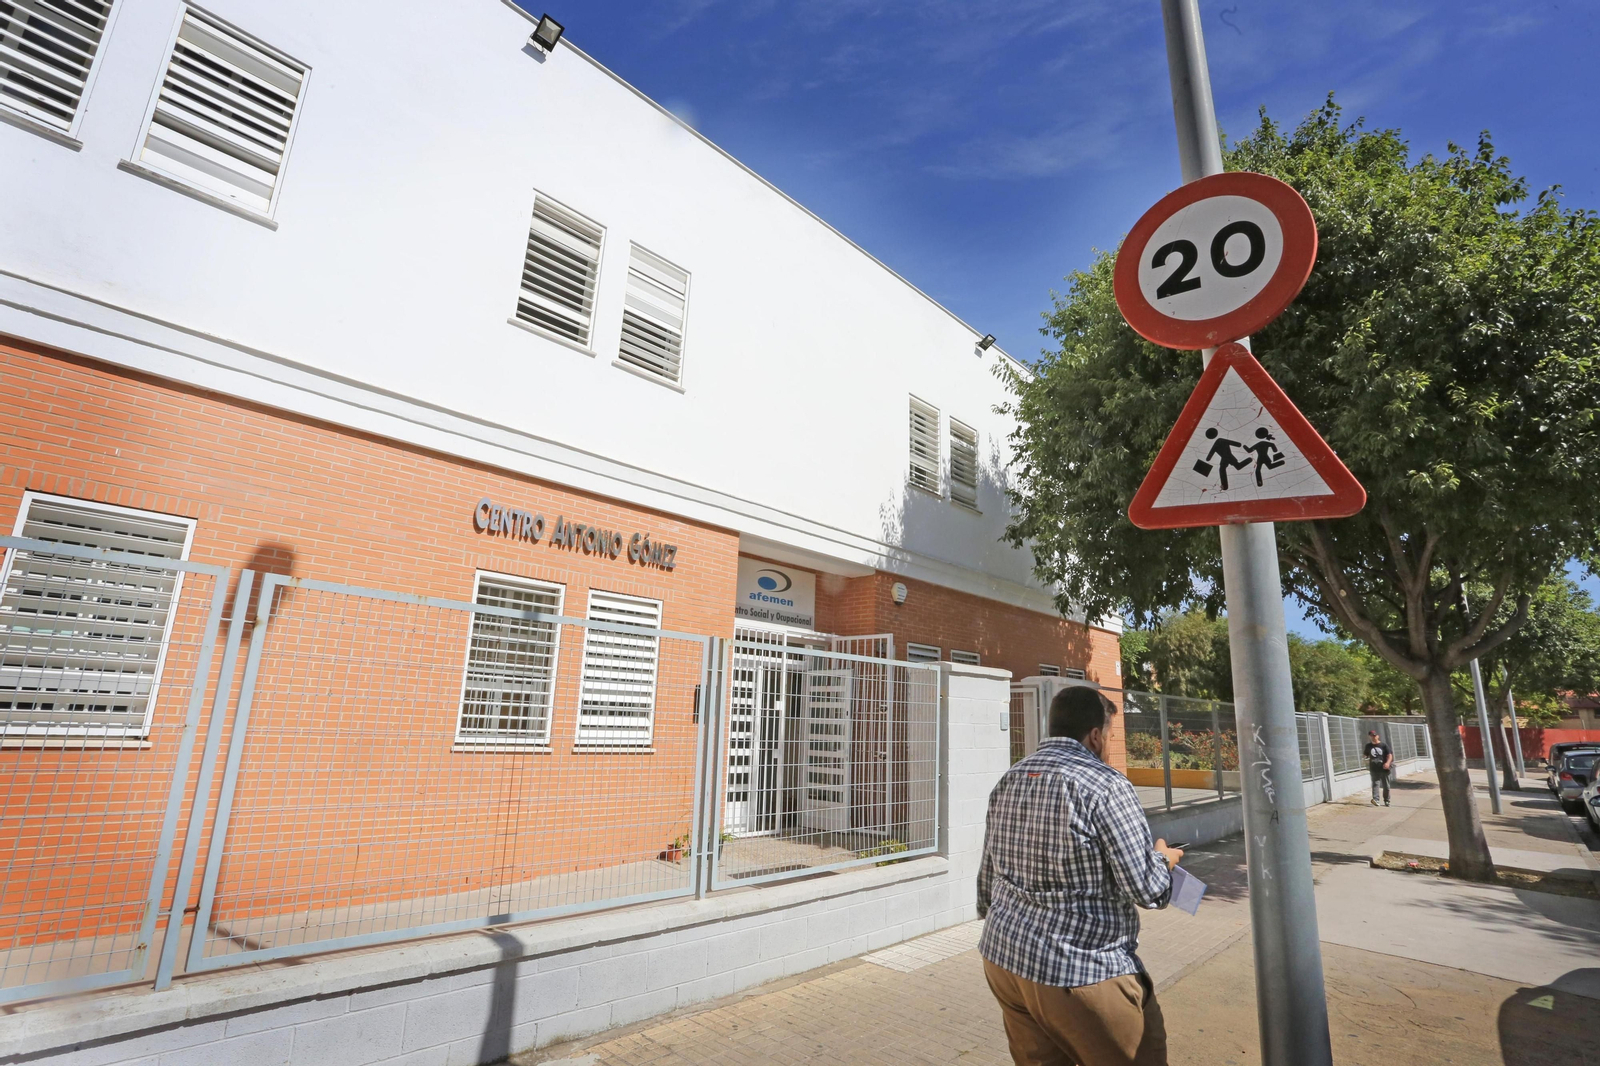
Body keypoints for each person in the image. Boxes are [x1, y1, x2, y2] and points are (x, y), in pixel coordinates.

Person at [978, 686, 1183, 1066]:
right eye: (1109, 735)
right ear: (1094, 735)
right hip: (1079, 969)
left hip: (1004, 961)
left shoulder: (1011, 778)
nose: (1109, 744)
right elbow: (1148, 889)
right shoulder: (1105, 784)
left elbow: (986, 881)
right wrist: (1163, 858)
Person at [1365, 729, 1393, 806]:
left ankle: (1387, 800)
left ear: (1378, 736)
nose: (1373, 737)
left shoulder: (1384, 745)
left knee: (1386, 786)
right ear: (1369, 737)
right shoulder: (1368, 746)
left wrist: (1387, 763)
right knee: (1375, 784)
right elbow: (1366, 755)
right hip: (1374, 768)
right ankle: (1376, 800)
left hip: (1384, 768)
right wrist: (1365, 760)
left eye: (1374, 735)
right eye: (1371, 736)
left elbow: (1390, 755)